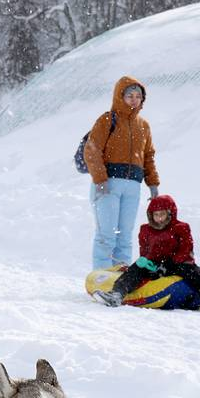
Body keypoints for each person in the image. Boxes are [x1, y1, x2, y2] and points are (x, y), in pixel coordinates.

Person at [93, 194, 200, 311]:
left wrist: (167, 265)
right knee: (136, 268)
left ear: (170, 213)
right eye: (156, 215)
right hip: (154, 266)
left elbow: (186, 250)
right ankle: (117, 295)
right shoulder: (146, 229)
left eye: (162, 214)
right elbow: (145, 251)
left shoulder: (181, 228)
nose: (159, 218)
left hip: (176, 264)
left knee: (192, 271)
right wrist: (146, 261)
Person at [83, 76, 160, 270]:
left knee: (125, 236)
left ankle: (121, 278)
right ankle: (102, 276)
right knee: (107, 235)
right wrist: (100, 179)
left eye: (138, 96)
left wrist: (153, 183)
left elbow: (148, 156)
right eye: (129, 96)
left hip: (133, 187)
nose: (134, 100)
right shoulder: (107, 119)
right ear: (120, 96)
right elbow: (91, 150)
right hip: (108, 184)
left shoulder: (144, 126)